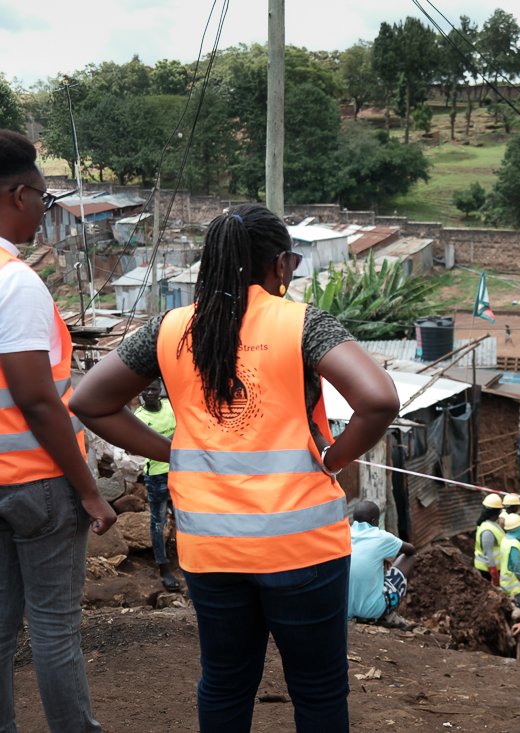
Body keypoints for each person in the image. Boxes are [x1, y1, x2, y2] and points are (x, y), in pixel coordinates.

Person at [69, 203, 400, 733]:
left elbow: (90, 401)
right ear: (280, 265)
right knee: (317, 689)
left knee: (225, 681)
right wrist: (333, 458)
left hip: (210, 546)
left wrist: (171, 451)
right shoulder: (301, 323)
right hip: (301, 544)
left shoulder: (171, 328)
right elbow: (379, 400)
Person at [0, 128, 116, 733]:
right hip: (37, 484)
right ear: (17, 195)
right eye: (45, 201)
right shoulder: (14, 282)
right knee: (52, 628)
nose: (46, 215)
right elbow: (38, 399)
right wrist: (89, 490)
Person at [132, 379, 180, 592]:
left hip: (180, 471)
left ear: (159, 390)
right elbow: (140, 445)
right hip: (157, 477)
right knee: (158, 522)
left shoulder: (171, 406)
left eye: (153, 389)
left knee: (185, 518)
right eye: (146, 389)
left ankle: (190, 562)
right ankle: (164, 567)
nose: (149, 393)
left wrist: (164, 440)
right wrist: (173, 439)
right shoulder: (139, 417)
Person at [347, 500, 415, 628]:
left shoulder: (343, 534)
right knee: (410, 558)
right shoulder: (381, 537)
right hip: (372, 611)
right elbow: (411, 550)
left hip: (343, 611)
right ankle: (389, 615)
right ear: (374, 521)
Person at [473, 493, 505, 585]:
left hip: (493, 568)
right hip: (487, 571)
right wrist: (494, 575)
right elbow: (489, 554)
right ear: (497, 512)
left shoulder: (491, 524)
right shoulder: (488, 531)